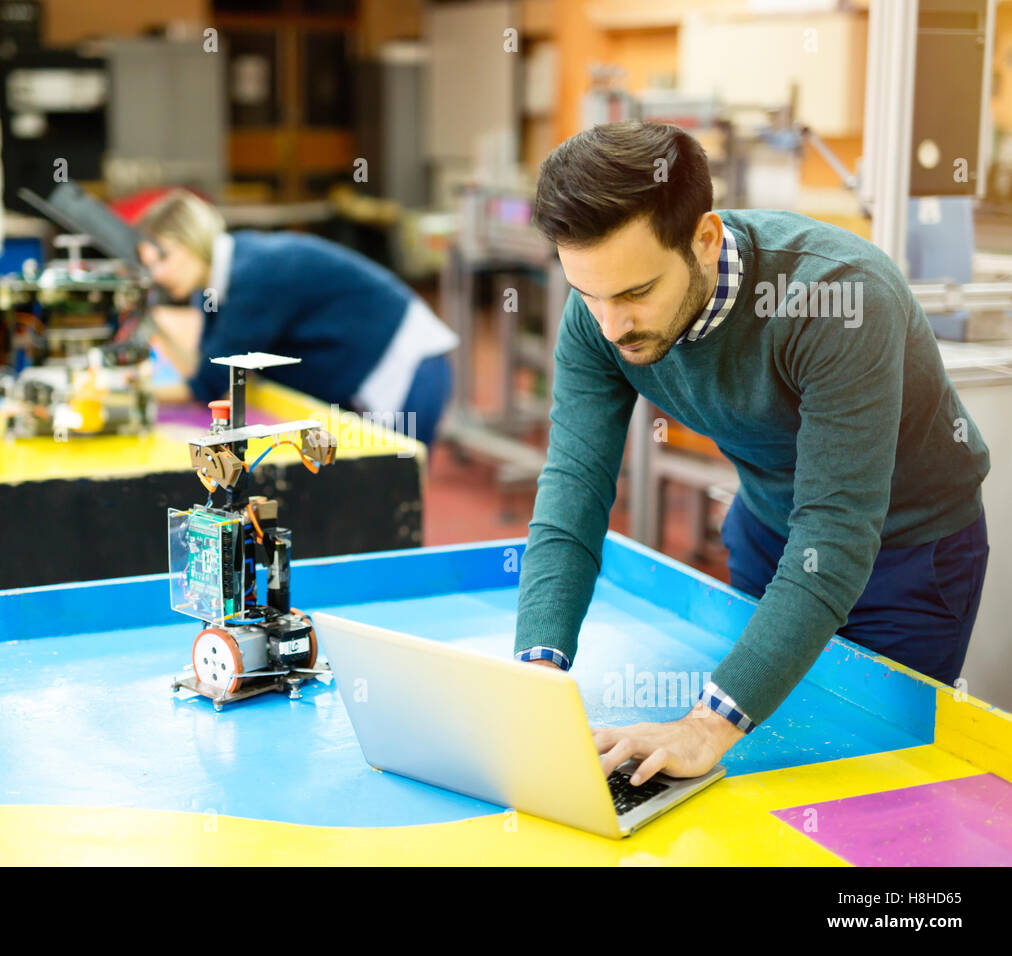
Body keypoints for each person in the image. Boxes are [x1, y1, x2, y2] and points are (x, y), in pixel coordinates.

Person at [517, 121, 991, 786]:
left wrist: (707, 724)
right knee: (757, 769)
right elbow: (573, 483)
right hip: (769, 526)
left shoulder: (839, 300)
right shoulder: (598, 316)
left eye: (634, 293)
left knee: (870, 777)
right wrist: (536, 672)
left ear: (705, 241)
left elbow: (836, 531)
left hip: (908, 552)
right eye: (588, 294)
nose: (611, 325)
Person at [137, 189, 457, 446]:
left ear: (192, 239)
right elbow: (206, 368)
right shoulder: (217, 281)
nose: (157, 274)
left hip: (408, 364)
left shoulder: (253, 277)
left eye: (164, 257)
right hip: (365, 373)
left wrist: (120, 395)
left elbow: (206, 385)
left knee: (394, 491)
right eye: (149, 264)